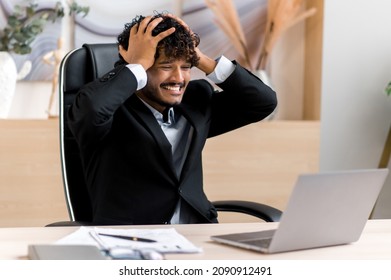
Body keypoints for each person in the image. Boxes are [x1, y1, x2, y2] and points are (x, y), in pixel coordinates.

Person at [68, 12, 277, 225]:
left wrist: (201, 60)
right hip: (133, 239)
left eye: (186, 67)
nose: (178, 78)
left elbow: (263, 102)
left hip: (197, 235)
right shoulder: (110, 112)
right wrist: (137, 65)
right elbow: (93, 111)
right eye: (166, 66)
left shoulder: (196, 101)